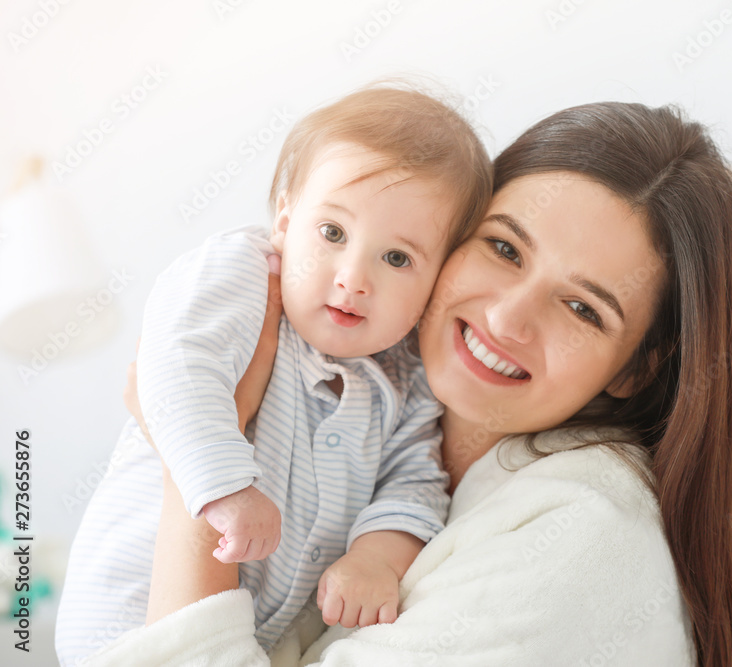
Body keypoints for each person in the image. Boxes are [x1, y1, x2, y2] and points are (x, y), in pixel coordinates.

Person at [88, 100, 732, 666]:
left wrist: (198, 468)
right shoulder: (380, 388)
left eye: (582, 307)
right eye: (503, 247)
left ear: (639, 365)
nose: (505, 317)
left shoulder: (580, 540)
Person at [54, 85, 493, 664]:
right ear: (286, 221)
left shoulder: (406, 377)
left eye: (397, 258)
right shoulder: (243, 274)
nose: (353, 277)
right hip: (128, 605)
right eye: (332, 233)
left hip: (246, 638)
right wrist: (227, 488)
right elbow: (172, 370)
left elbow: (413, 482)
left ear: (438, 279)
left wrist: (377, 559)